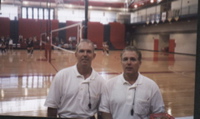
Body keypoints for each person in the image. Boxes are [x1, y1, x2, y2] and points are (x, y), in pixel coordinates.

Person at [99, 46, 165, 119]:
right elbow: (105, 112)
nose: (129, 62)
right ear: (121, 62)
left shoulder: (152, 86)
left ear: (140, 62)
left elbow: (159, 113)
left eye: (133, 59)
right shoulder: (109, 85)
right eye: (125, 59)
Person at [44, 39, 105, 119]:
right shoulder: (62, 76)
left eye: (89, 51)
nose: (85, 54)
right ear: (76, 54)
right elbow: (52, 107)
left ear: (94, 55)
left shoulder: (100, 81)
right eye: (81, 51)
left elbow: (101, 112)